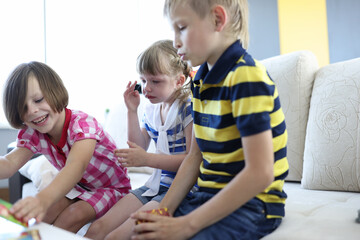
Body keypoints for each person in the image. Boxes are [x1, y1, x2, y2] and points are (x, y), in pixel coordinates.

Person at [131, 0, 289, 239]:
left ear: (217, 19)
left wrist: (187, 225)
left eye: (181, 27)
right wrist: (165, 209)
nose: (175, 41)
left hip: (253, 204)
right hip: (205, 195)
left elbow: (261, 173)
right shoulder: (200, 81)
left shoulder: (246, 77)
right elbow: (195, 156)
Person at [0, 61, 131, 233]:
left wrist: (42, 199)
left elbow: (76, 166)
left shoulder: (83, 125)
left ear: (55, 92)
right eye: (23, 108)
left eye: (38, 100)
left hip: (114, 190)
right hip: (80, 188)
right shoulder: (34, 132)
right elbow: (9, 164)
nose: (32, 111)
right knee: (45, 215)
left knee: (71, 216)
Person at [84, 39, 194, 240]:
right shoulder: (152, 108)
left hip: (180, 191)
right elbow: (139, 145)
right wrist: (132, 111)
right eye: (143, 81)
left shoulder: (187, 107)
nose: (147, 88)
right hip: (154, 185)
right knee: (97, 229)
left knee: (117, 236)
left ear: (178, 81)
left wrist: (146, 159)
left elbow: (191, 160)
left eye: (155, 81)